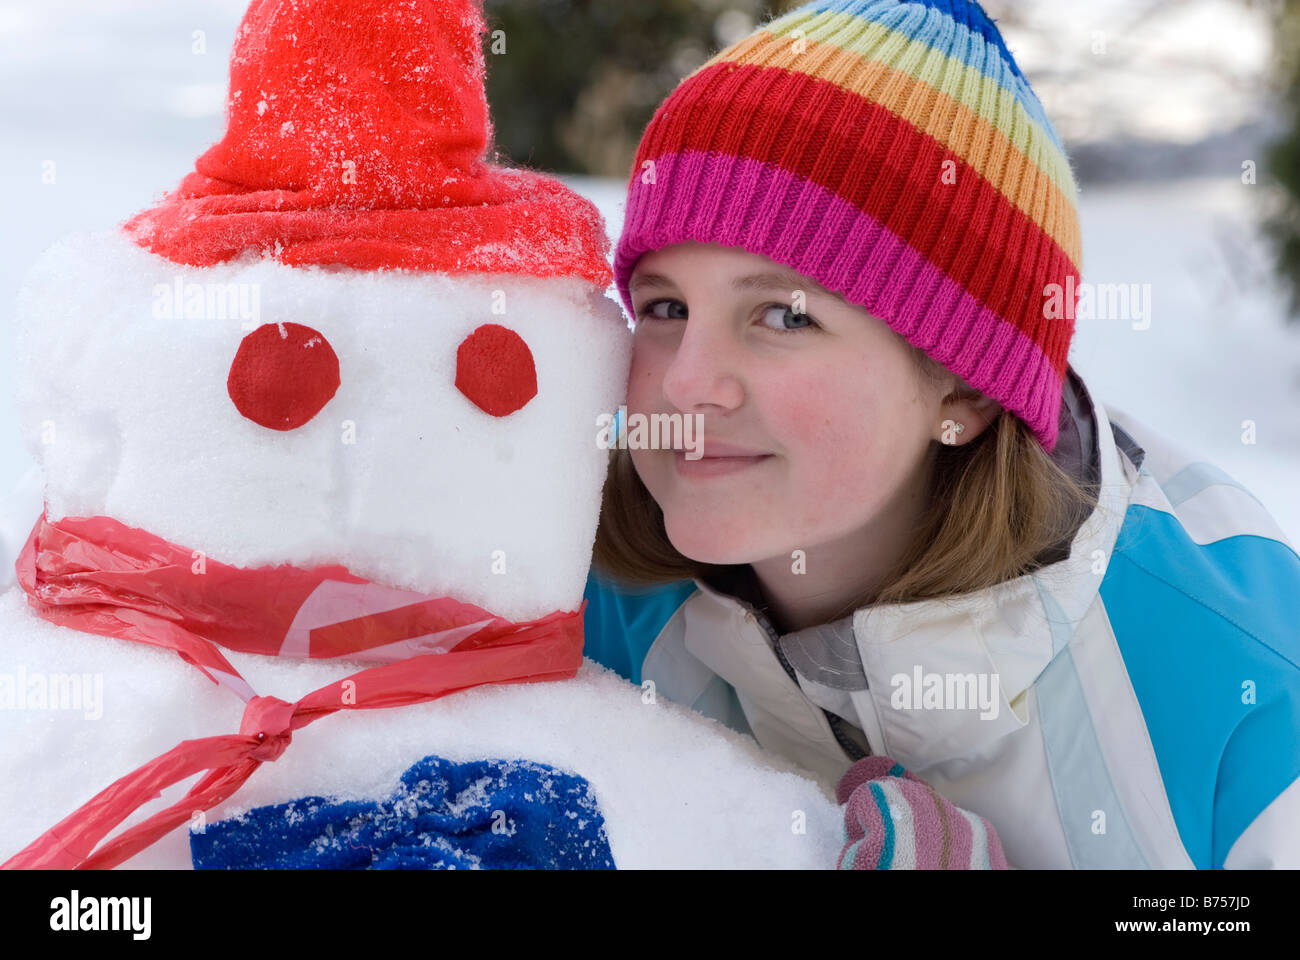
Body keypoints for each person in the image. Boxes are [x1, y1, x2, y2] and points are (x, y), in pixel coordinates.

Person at [583, 0, 1300, 869]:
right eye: (665, 306)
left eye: (781, 315)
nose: (686, 381)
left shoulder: (1241, 680)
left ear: (964, 390)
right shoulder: (584, 600)